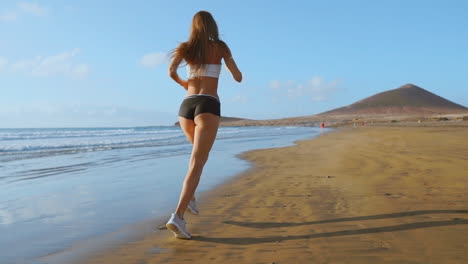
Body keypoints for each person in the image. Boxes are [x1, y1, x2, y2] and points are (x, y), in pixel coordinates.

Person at [165, 11, 242, 239]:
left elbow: (171, 72)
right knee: (197, 164)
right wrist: (228, 67)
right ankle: (177, 217)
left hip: (186, 106)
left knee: (195, 161)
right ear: (212, 26)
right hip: (208, 104)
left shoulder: (186, 48)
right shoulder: (220, 47)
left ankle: (190, 197)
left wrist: (185, 85)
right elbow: (238, 77)